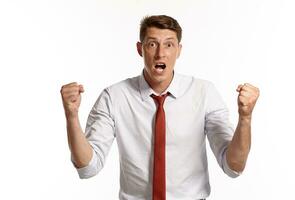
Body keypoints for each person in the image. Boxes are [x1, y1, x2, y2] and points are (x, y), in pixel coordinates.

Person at [60, 15, 259, 200]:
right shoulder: (113, 97)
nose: (160, 53)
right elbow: (88, 167)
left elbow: (233, 166)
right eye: (152, 44)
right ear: (140, 49)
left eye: (169, 45)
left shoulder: (204, 93)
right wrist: (71, 117)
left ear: (179, 50)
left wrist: (245, 118)